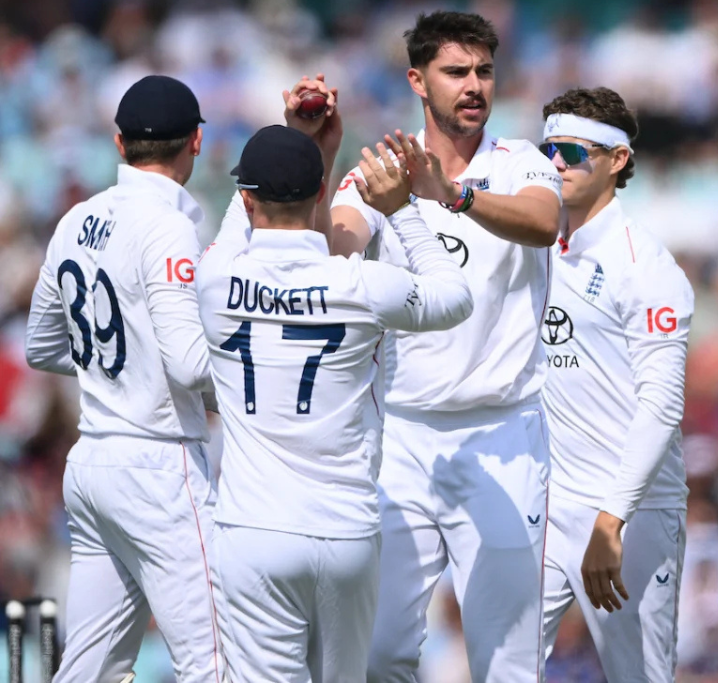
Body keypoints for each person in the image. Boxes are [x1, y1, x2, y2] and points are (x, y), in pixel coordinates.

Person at [327, 11, 562, 682]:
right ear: (417, 80)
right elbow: (338, 244)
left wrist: (451, 194)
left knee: (507, 664)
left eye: (484, 71)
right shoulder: (379, 171)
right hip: (400, 439)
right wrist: (320, 156)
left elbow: (545, 224)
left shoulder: (520, 161)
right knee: (377, 655)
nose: (474, 86)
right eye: (456, 72)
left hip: (503, 436)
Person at [196, 111, 473, 681]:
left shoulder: (215, 278)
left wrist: (295, 137)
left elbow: (240, 216)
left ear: (248, 202)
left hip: (254, 532)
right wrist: (402, 210)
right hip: (346, 529)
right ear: (323, 191)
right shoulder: (359, 284)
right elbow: (455, 297)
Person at [24, 76, 223, 682]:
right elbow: (190, 366)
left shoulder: (74, 220)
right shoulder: (169, 226)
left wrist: (116, 363)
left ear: (119, 143)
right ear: (194, 142)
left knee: (89, 668)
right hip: (159, 469)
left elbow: (41, 345)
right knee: (218, 660)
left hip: (93, 468)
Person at [537, 87, 693, 682]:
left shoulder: (645, 266)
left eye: (574, 152)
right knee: (504, 664)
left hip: (630, 511)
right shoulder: (537, 248)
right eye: (550, 149)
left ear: (618, 160)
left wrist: (613, 517)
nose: (557, 164)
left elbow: (662, 405)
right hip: (548, 504)